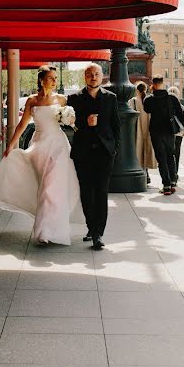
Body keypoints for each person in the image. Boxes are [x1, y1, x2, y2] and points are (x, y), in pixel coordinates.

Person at [0, 66, 79, 246]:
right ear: (41, 80)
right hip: (39, 145)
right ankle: (49, 227)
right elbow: (22, 125)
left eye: (54, 78)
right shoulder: (32, 101)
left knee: (51, 187)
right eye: (50, 78)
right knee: (44, 187)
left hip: (58, 146)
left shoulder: (61, 99)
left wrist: (69, 119)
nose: (53, 81)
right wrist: (10, 145)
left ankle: (45, 231)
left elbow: (73, 121)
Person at [67, 64, 120, 251]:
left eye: (97, 74)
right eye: (90, 74)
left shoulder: (111, 98)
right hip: (83, 152)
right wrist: (84, 122)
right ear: (85, 77)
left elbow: (116, 126)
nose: (93, 77)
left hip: (105, 153)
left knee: (101, 192)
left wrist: (114, 148)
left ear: (102, 76)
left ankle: (98, 233)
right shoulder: (73, 99)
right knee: (86, 192)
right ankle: (91, 226)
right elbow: (68, 125)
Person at [144, 77, 184, 195]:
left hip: (156, 132)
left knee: (161, 159)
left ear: (153, 85)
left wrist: (150, 93)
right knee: (170, 156)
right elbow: (180, 113)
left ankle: (166, 185)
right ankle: (173, 181)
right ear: (163, 84)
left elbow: (146, 110)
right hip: (169, 131)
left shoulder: (149, 99)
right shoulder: (172, 97)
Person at [129, 81, 157, 185]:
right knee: (147, 151)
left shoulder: (134, 101)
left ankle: (142, 174)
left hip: (138, 130)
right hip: (149, 129)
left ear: (136, 90)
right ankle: (147, 174)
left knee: (138, 152)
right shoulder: (150, 99)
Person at [168, 86, 184, 179]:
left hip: (168, 133)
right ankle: (175, 173)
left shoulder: (165, 105)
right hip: (179, 133)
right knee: (176, 154)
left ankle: (170, 174)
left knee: (169, 154)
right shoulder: (181, 106)